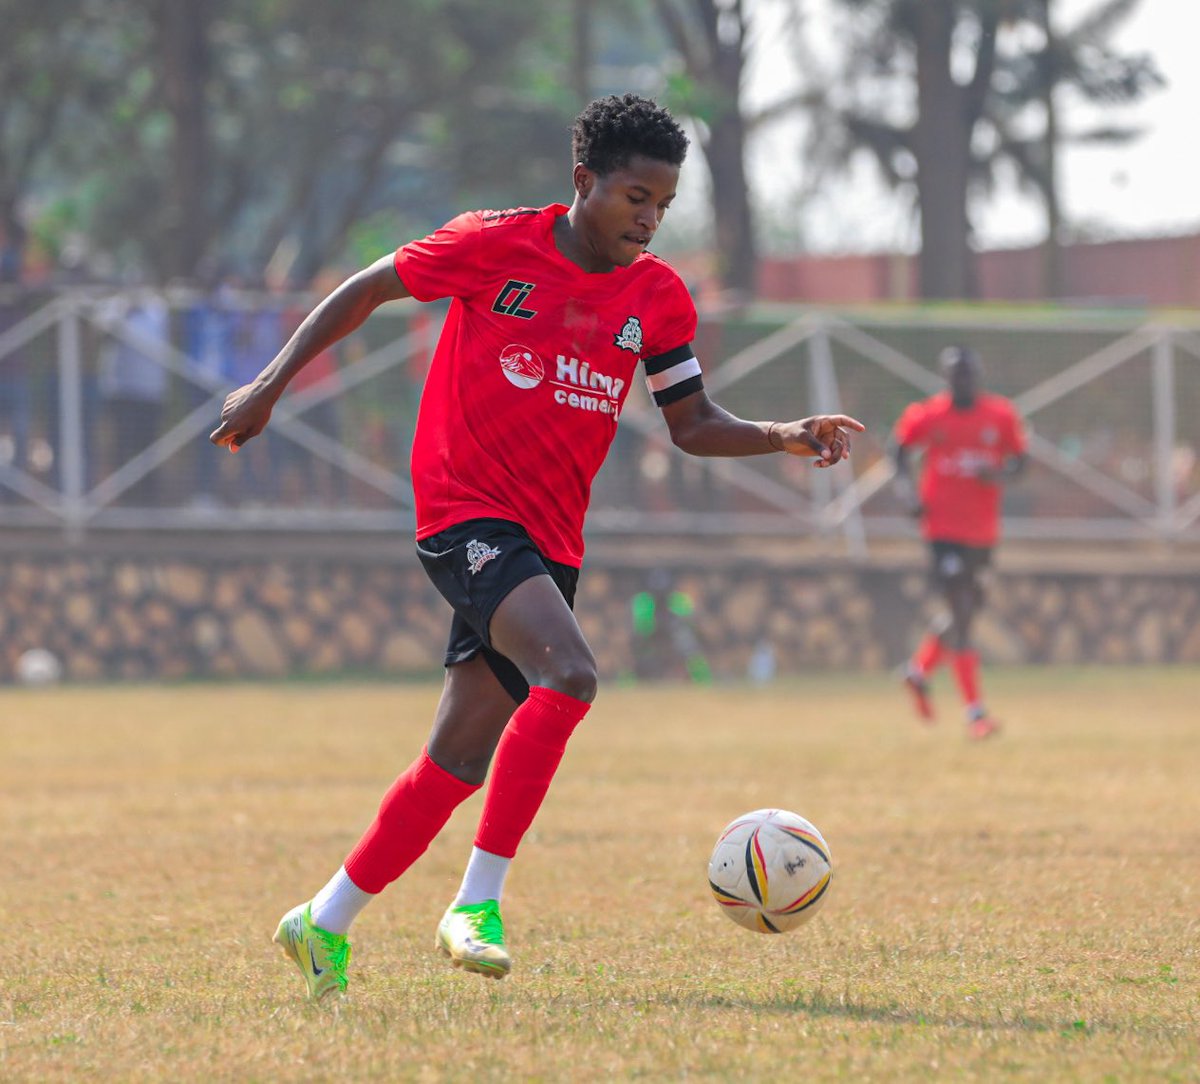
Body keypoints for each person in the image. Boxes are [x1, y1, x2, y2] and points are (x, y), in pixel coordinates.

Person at [210, 94, 864, 1001]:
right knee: (572, 675)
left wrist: (784, 433)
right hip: (465, 513)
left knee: (456, 760)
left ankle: (321, 921)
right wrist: (269, 387)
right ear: (584, 181)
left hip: (550, 540)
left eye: (664, 206)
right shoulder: (490, 243)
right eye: (636, 196)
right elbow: (367, 288)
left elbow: (693, 424)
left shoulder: (658, 297)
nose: (649, 218)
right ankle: (477, 903)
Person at [892, 345, 1027, 741]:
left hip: (983, 532)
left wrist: (999, 473)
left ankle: (917, 673)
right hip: (943, 531)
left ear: (978, 376)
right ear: (946, 378)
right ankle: (976, 715)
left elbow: (1021, 462)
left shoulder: (1000, 415)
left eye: (968, 374)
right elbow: (898, 451)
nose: (963, 381)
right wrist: (908, 496)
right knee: (963, 610)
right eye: (956, 375)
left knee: (967, 609)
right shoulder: (929, 414)